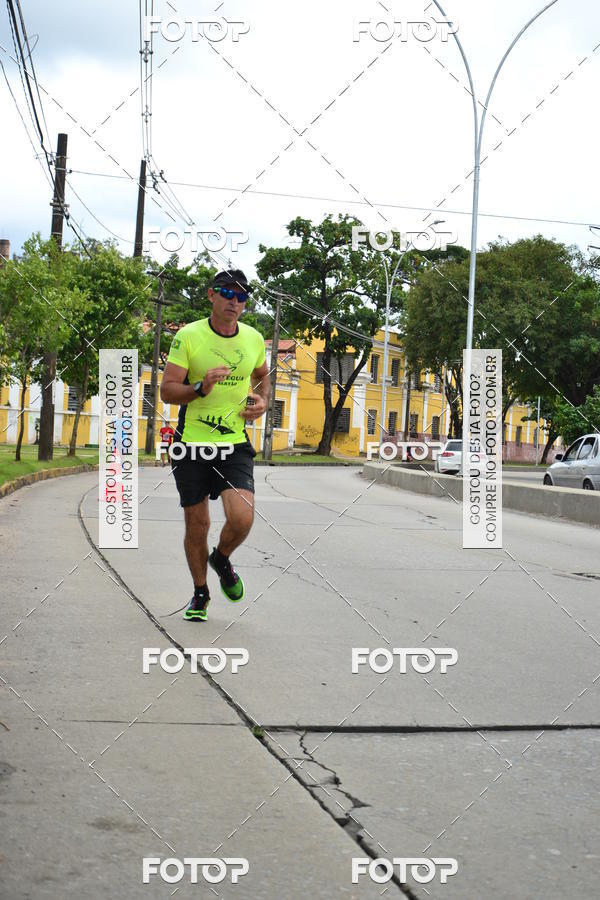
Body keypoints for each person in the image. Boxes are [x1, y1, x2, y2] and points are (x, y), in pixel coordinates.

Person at [159, 269, 269, 621]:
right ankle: (201, 592)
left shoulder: (253, 339)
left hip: (233, 443)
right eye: (226, 293)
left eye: (241, 297)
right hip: (192, 443)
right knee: (198, 525)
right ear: (212, 295)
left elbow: (263, 377)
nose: (234, 302)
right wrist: (200, 388)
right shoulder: (189, 336)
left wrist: (263, 402)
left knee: (242, 518)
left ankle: (221, 558)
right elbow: (167, 390)